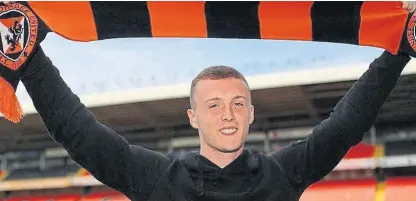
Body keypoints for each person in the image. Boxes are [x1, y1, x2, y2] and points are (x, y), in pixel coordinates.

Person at [18, 4, 415, 201]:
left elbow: (346, 124)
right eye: (213, 105)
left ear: (252, 113)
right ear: (192, 117)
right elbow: (80, 134)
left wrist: (398, 50)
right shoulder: (159, 179)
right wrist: (29, 54)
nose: (228, 114)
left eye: (238, 103)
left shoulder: (282, 175)